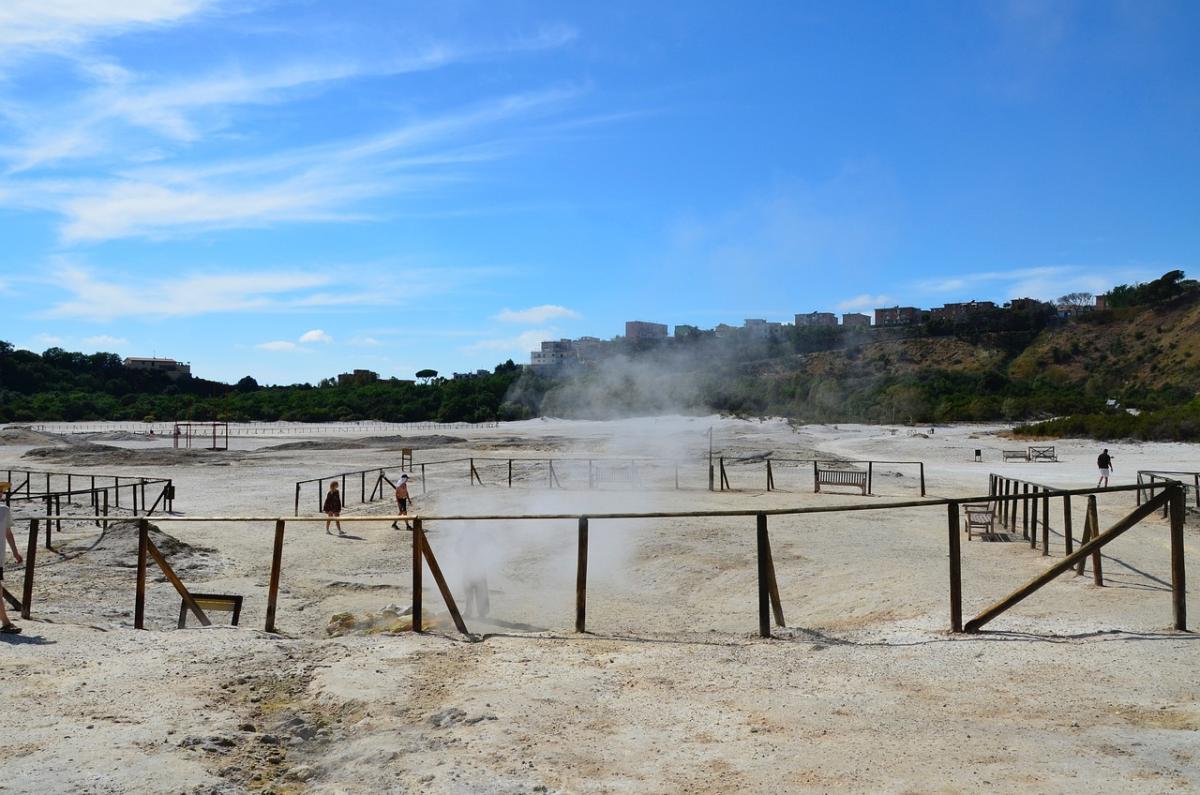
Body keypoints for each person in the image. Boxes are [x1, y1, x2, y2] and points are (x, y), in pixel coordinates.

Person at [0, 497, 21, 634]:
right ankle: (6, 622)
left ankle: (6, 623)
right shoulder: (4, 510)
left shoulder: (4, 510)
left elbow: (8, 533)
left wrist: (15, 553)